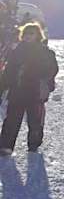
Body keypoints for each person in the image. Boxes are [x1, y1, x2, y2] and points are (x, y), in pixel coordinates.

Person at [0, 23, 59, 154]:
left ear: (38, 35)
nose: (28, 36)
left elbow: (53, 69)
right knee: (11, 119)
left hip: (35, 90)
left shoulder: (46, 52)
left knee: (35, 120)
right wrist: (3, 86)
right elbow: (9, 71)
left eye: (31, 33)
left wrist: (44, 79)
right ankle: (5, 146)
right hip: (18, 89)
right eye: (26, 33)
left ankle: (34, 143)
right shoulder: (17, 51)